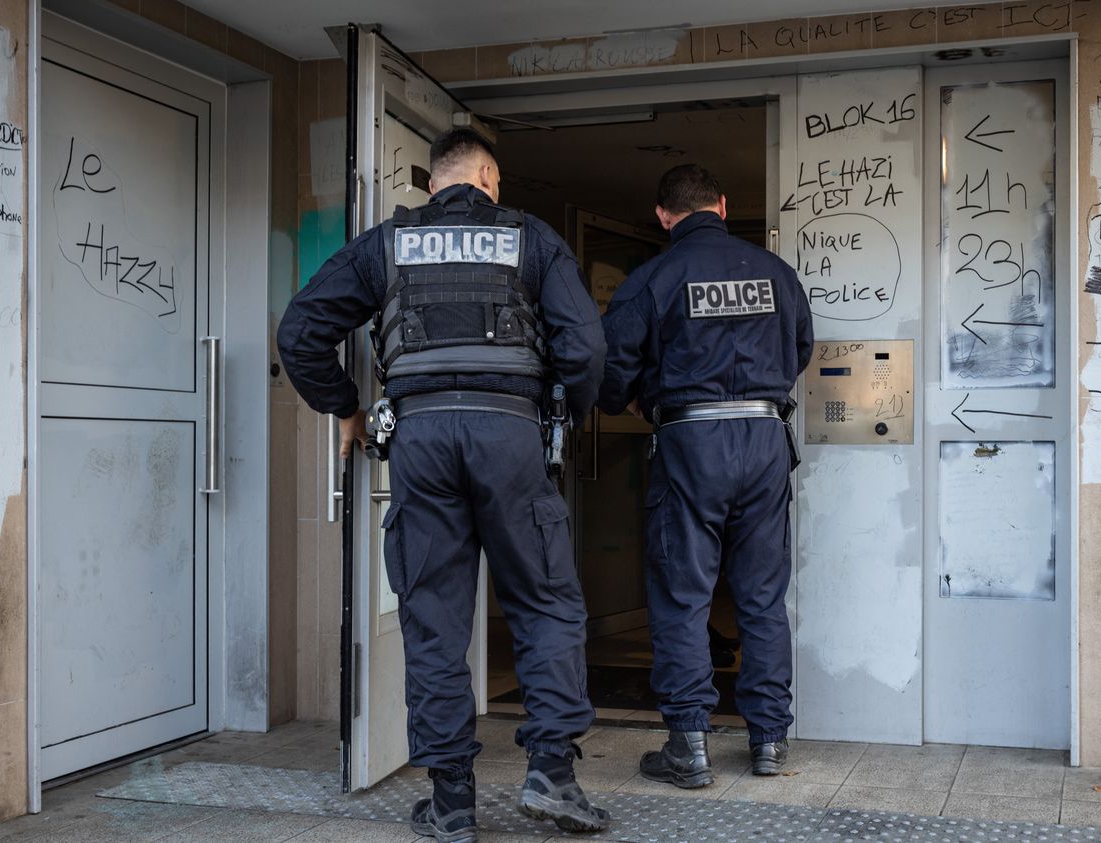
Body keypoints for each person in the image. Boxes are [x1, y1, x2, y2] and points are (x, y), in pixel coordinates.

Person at [277, 128, 611, 842]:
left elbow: (300, 330)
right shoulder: (531, 239)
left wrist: (348, 407)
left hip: (421, 438)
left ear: (434, 184)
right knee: (546, 600)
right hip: (510, 432)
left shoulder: (385, 244)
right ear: (489, 177)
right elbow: (585, 346)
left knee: (434, 617)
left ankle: (452, 800)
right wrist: (562, 416)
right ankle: (551, 774)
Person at [598, 164, 813, 788]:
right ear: (722, 204)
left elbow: (610, 372)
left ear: (663, 216)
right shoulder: (776, 273)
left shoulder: (654, 278)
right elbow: (800, 350)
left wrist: (639, 403)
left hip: (691, 439)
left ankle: (689, 746)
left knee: (682, 594)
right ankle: (768, 741)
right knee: (762, 597)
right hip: (766, 437)